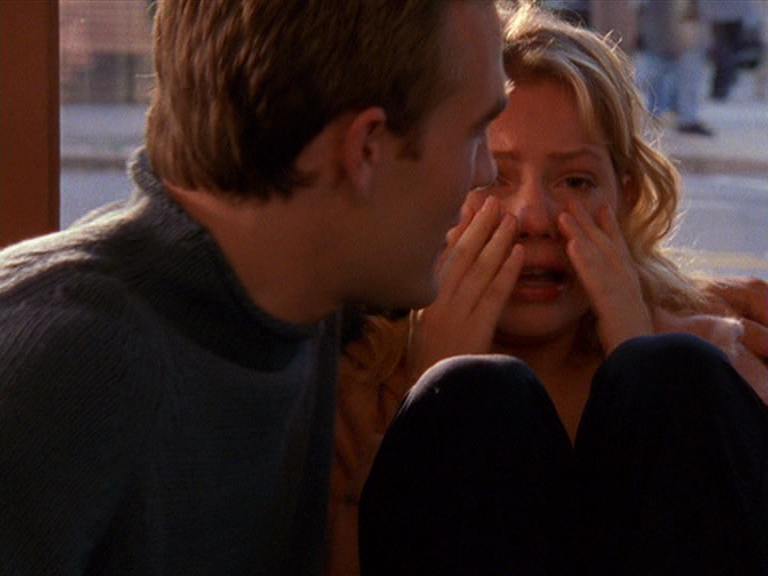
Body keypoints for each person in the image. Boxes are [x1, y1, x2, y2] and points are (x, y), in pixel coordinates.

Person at [0, 1, 509, 574]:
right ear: (365, 148)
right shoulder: (65, 369)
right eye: (475, 133)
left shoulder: (294, 308)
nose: (486, 172)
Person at [328, 3, 768, 574]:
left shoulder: (711, 361)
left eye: (576, 181)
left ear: (626, 197)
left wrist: (643, 367)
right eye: (493, 177)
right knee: (472, 393)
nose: (534, 217)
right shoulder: (360, 383)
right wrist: (427, 394)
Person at [637, 0, 712, 135]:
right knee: (657, 74)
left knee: (661, 74)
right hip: (672, 32)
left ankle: (677, 116)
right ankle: (681, 117)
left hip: (670, 32)